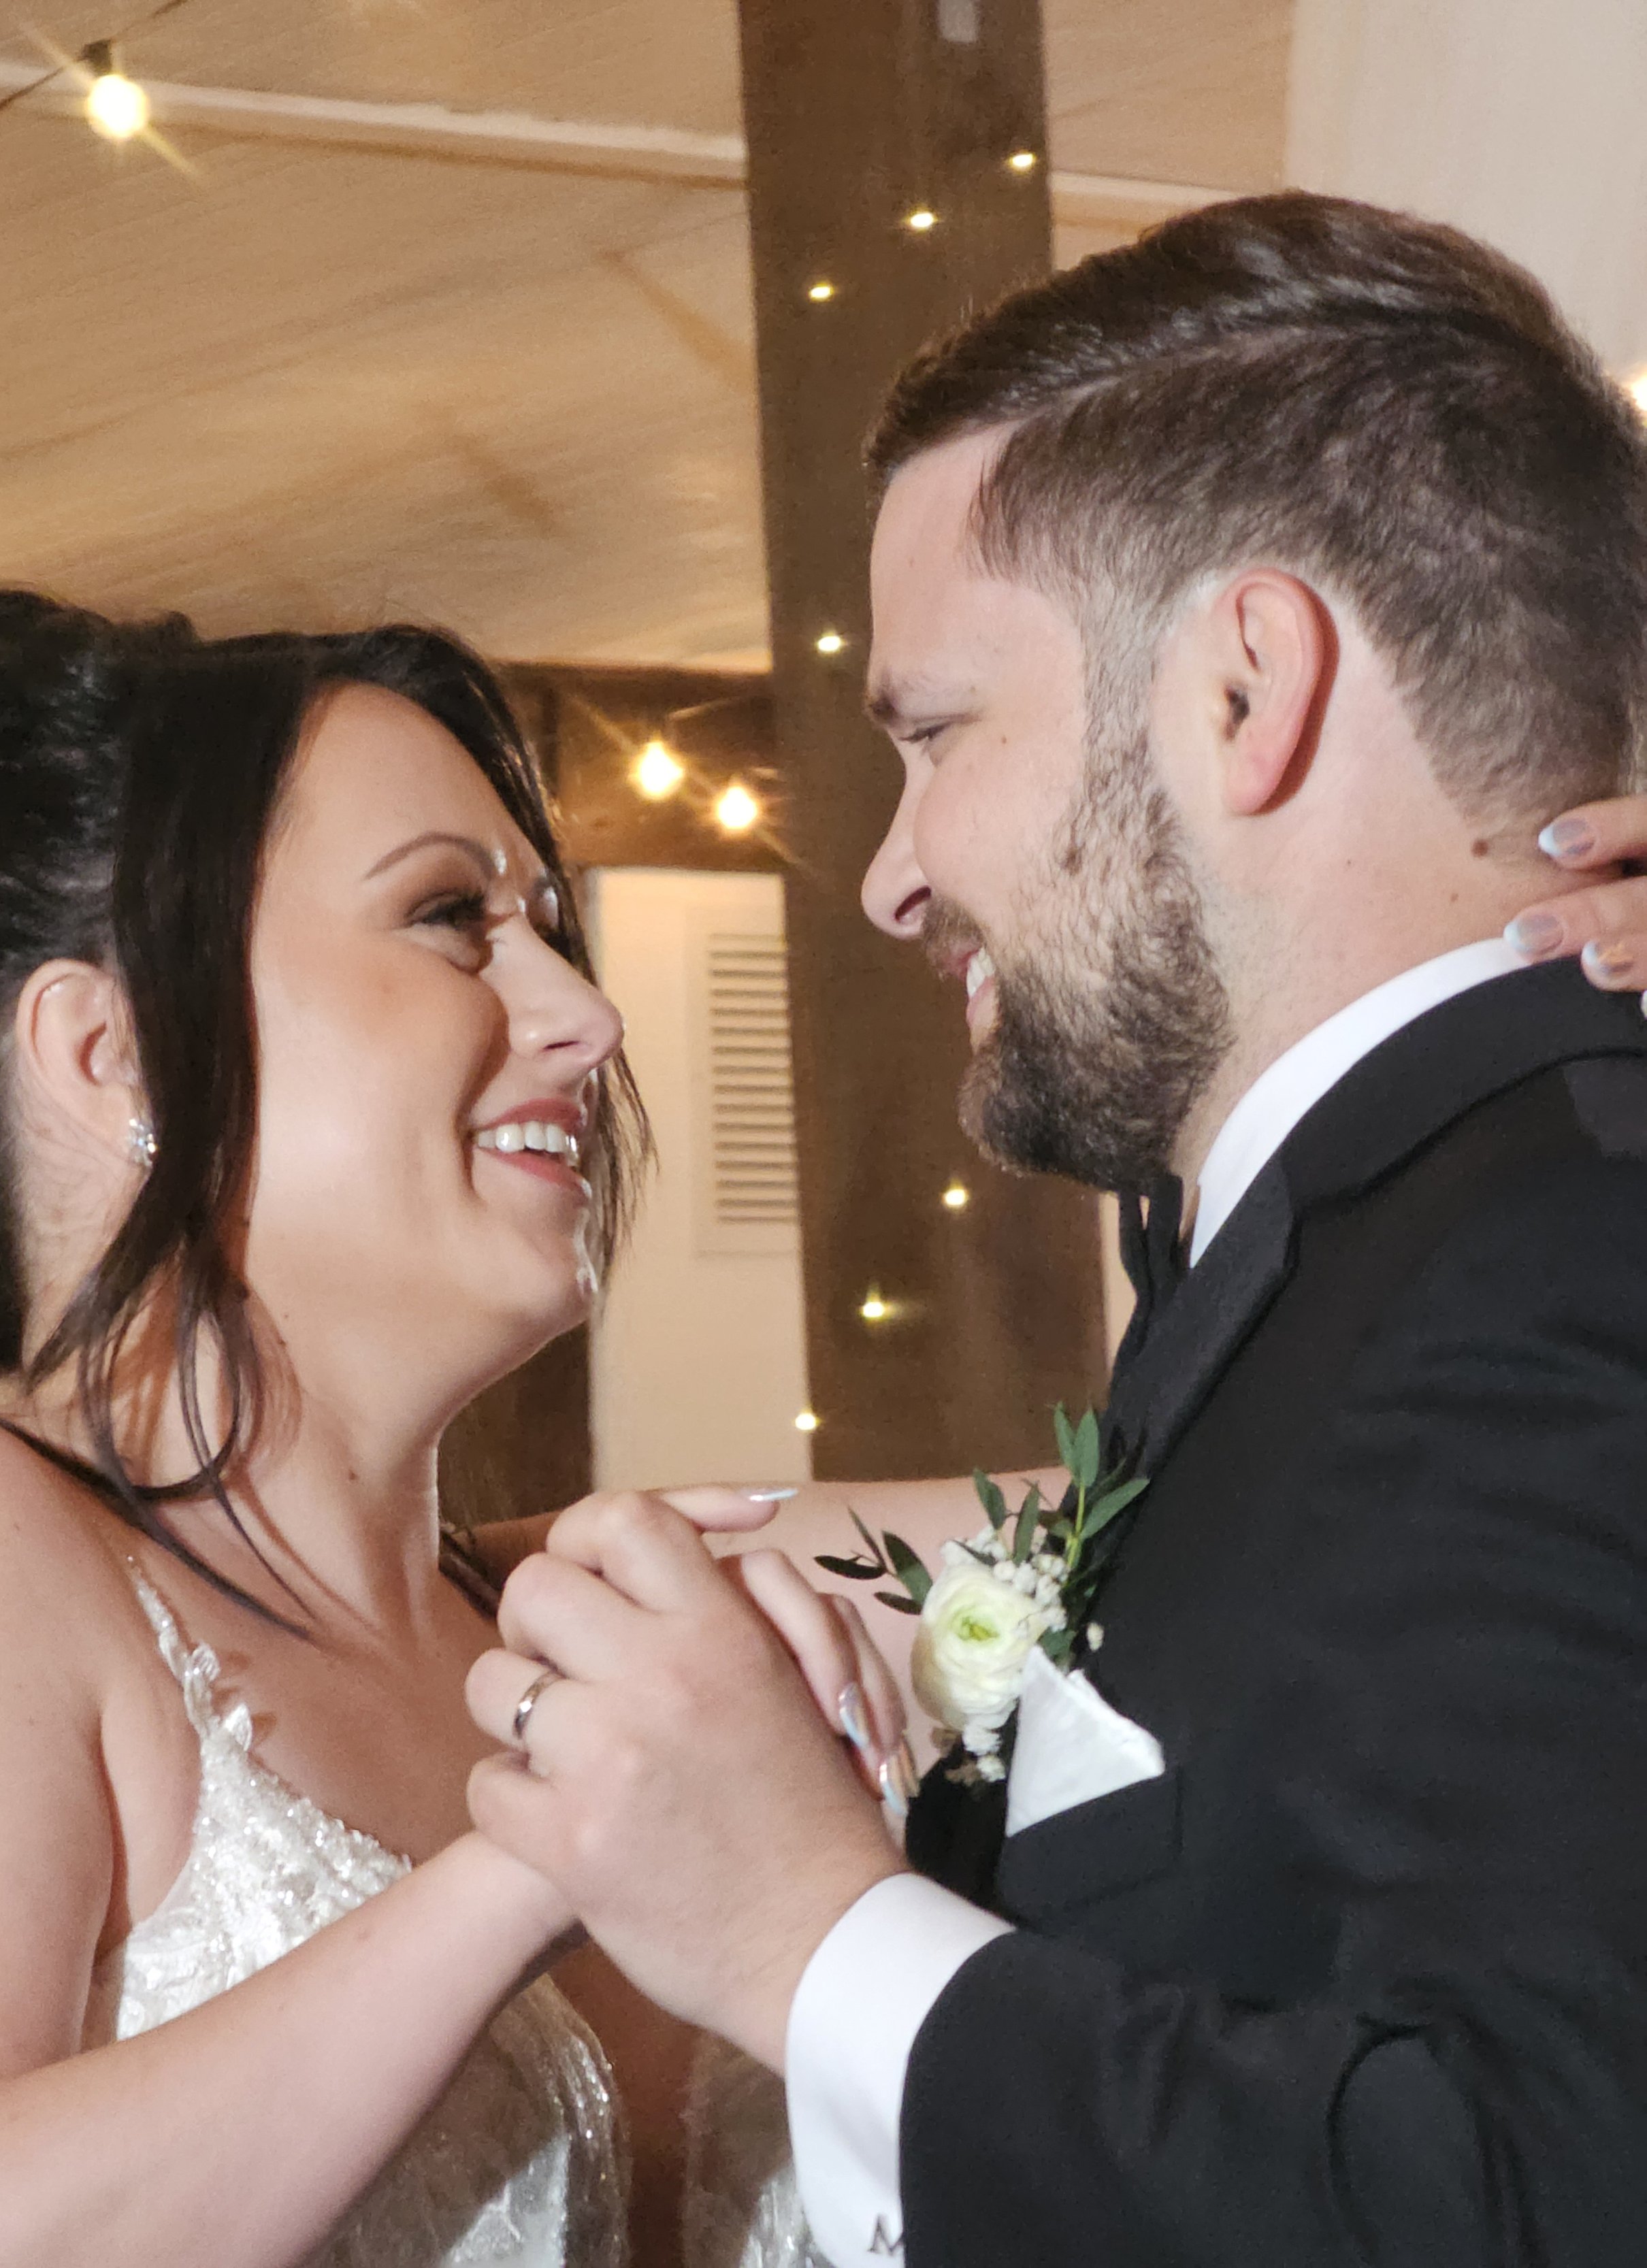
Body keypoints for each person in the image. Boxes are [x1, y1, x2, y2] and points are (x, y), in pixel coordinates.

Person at [464, 192, 1647, 2267]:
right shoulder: (1374, 1248)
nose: (892, 876)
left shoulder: (1537, 1250)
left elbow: (1542, 2195)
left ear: (1240, 686)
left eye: (936, 732)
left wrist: (808, 1929)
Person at [0, 590, 900, 2268]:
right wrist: (530, 1861)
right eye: (451, 918)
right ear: (117, 1052)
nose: (584, 1018)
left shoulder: (613, 1605)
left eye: (550, 927)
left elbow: (1226, 1499)